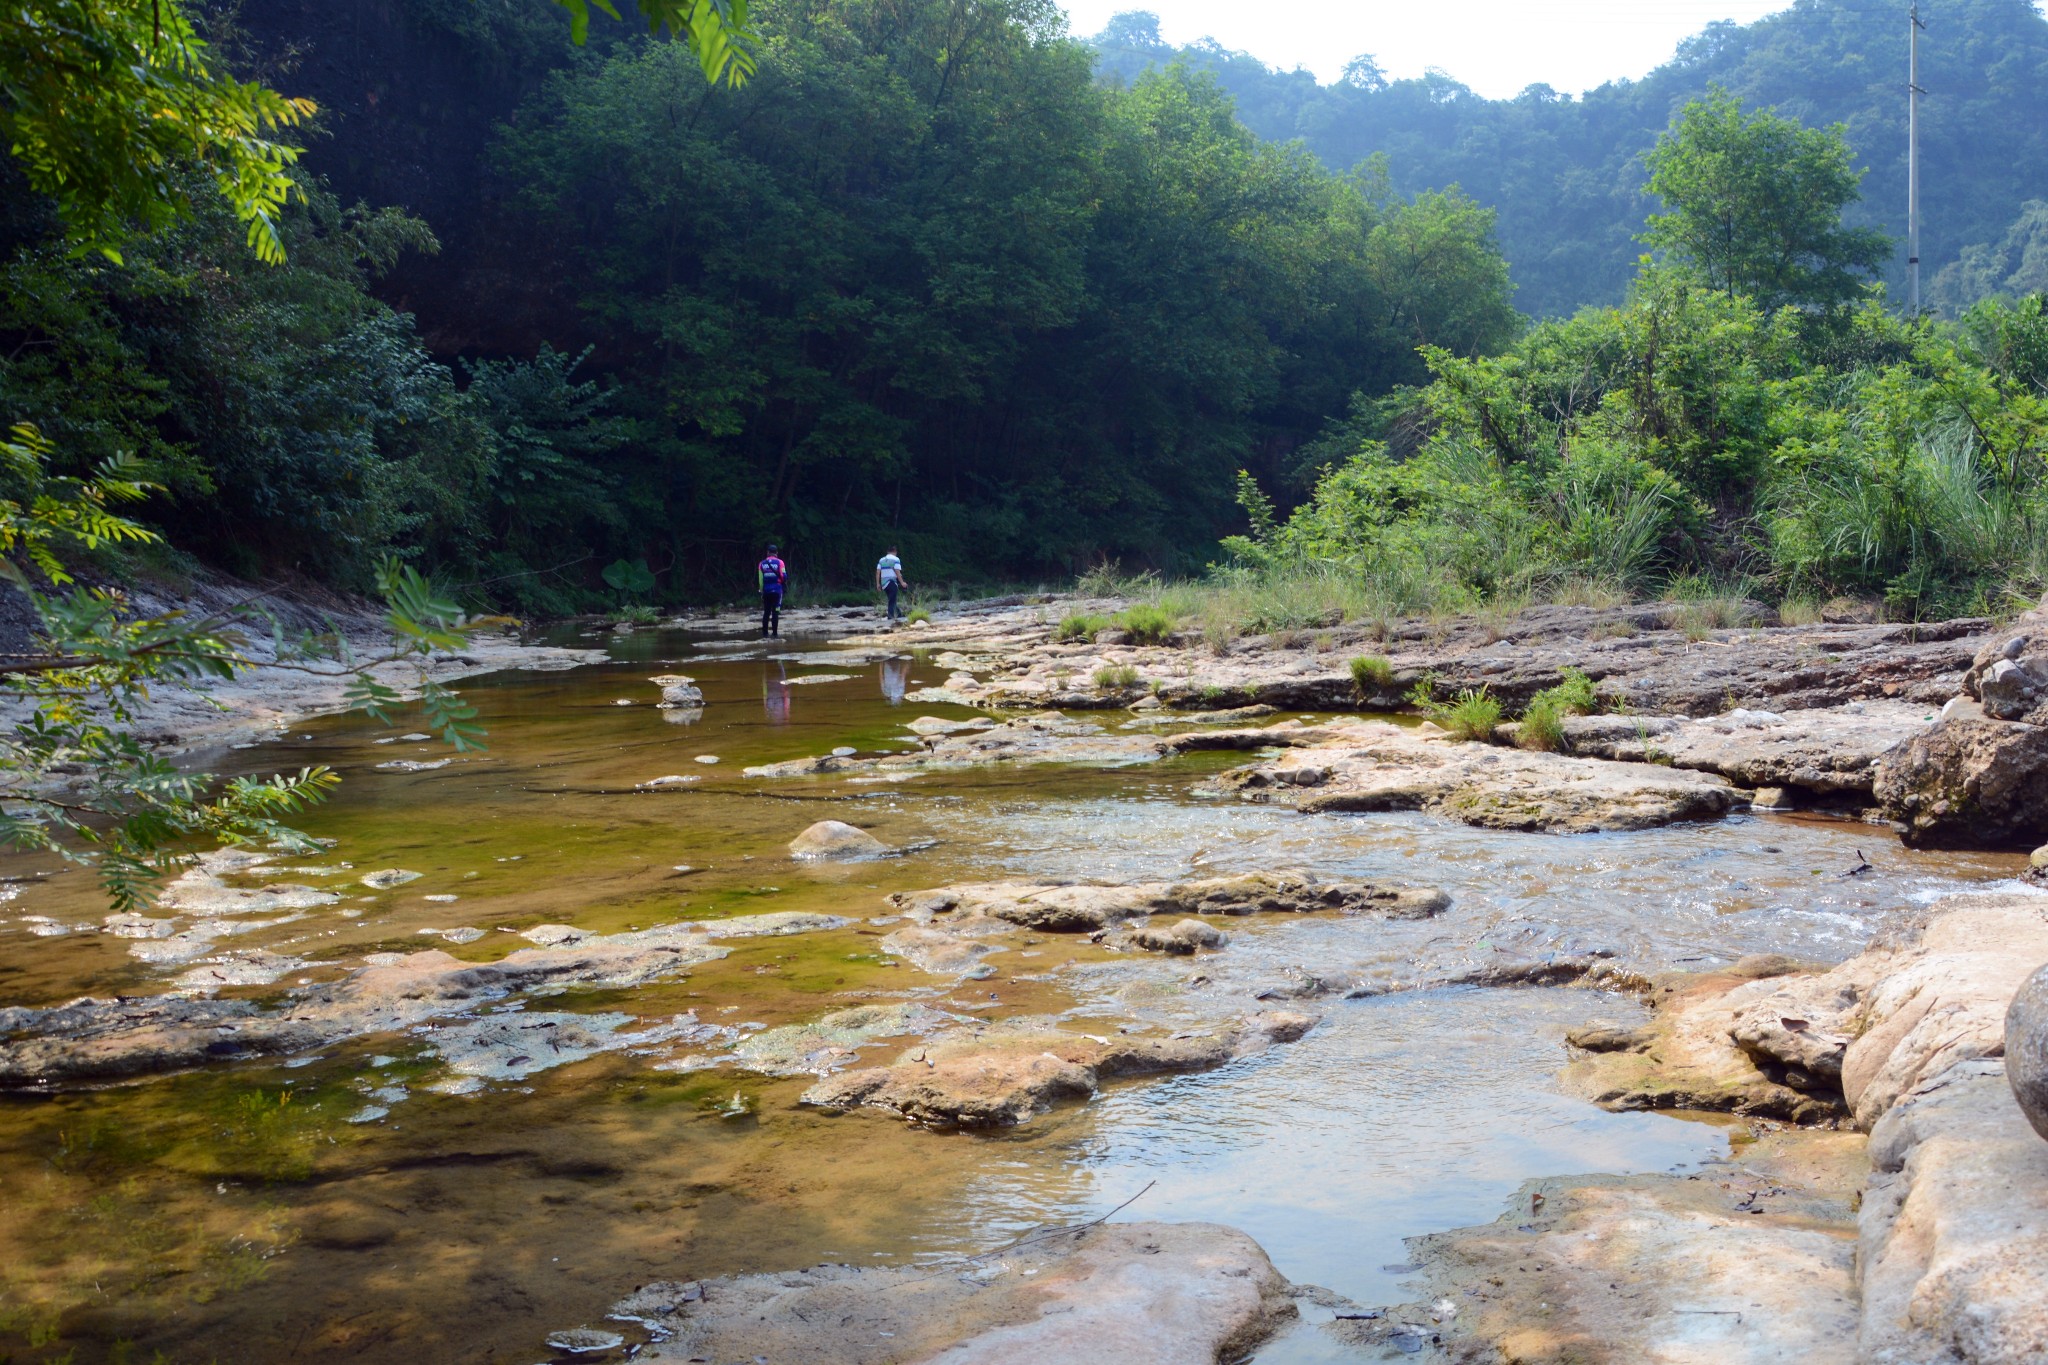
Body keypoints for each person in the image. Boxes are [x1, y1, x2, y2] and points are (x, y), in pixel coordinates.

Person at [757, 543, 787, 637]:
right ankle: (775, 634)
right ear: (776, 553)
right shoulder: (780, 562)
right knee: (775, 612)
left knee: (766, 612)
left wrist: (761, 590)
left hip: (766, 591)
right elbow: (784, 576)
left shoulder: (761, 564)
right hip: (777, 591)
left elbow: (761, 580)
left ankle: (765, 634)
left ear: (768, 553)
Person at [875, 545, 908, 625]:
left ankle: (899, 615)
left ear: (887, 551)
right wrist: (902, 582)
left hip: (884, 583)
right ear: (895, 552)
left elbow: (878, 572)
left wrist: (878, 584)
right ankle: (890, 618)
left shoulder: (881, 560)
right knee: (892, 601)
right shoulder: (896, 559)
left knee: (892, 599)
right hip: (892, 582)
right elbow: (897, 572)